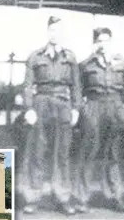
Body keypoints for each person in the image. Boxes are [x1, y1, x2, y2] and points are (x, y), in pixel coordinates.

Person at [20, 16, 81, 215]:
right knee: (37, 152)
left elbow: (77, 87)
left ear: (63, 34)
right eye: (52, 30)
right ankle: (33, 197)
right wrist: (29, 108)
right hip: (41, 104)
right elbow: (28, 85)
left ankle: (62, 197)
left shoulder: (70, 58)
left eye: (59, 31)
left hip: (63, 105)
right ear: (48, 32)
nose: (56, 34)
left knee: (61, 154)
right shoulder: (35, 56)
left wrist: (76, 109)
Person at [73, 27, 124, 213]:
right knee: (89, 152)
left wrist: (123, 109)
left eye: (106, 40)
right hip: (94, 107)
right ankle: (82, 197)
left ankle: (115, 196)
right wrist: (84, 110)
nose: (103, 44)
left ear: (111, 42)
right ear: (95, 43)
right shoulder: (86, 64)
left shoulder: (121, 62)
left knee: (113, 153)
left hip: (114, 108)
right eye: (99, 40)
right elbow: (78, 90)